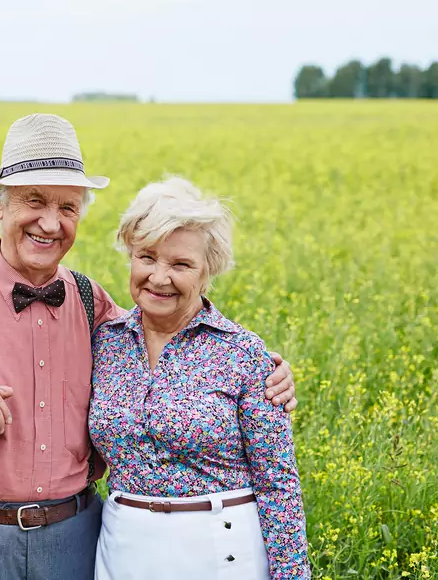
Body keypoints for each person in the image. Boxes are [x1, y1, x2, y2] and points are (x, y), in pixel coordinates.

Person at [0, 114, 298, 580]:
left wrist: (265, 373)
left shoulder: (94, 306)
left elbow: (170, 337)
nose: (50, 222)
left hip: (75, 540)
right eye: (34, 201)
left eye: (67, 207)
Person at [90, 177, 310, 579]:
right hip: (122, 551)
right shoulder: (104, 341)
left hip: (223, 552)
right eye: (146, 257)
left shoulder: (243, 354)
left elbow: (278, 485)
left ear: (209, 271)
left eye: (181, 264)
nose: (159, 277)